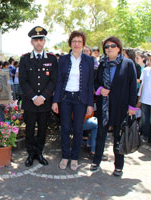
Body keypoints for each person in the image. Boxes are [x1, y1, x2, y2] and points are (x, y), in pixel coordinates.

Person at [90, 36, 137, 177]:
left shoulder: (128, 64)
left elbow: (133, 87)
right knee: (100, 135)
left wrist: (132, 107)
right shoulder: (102, 64)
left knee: (118, 137)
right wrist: (100, 90)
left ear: (119, 48)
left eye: (112, 46)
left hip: (121, 106)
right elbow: (96, 82)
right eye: (106, 46)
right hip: (104, 106)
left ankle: (118, 166)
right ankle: (96, 161)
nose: (109, 48)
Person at [52, 31, 94, 170]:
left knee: (78, 129)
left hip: (80, 99)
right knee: (65, 128)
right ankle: (65, 156)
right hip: (65, 98)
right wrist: (55, 101)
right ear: (70, 43)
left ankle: (75, 158)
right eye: (74, 41)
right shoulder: (63, 59)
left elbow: (90, 84)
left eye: (79, 41)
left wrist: (90, 104)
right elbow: (59, 81)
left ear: (83, 44)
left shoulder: (89, 60)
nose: (76, 44)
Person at [19, 26, 58, 167]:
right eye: (36, 40)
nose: (38, 42)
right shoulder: (24, 59)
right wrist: (34, 97)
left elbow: (54, 80)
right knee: (29, 129)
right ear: (31, 42)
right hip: (30, 102)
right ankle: (30, 154)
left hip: (45, 103)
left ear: (44, 41)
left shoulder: (52, 59)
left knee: (42, 130)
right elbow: (23, 81)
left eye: (41, 39)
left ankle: (39, 153)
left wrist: (43, 97)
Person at [138, 53, 151, 143]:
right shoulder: (146, 70)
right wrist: (139, 98)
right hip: (145, 99)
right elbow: (142, 85)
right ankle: (145, 136)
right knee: (145, 119)